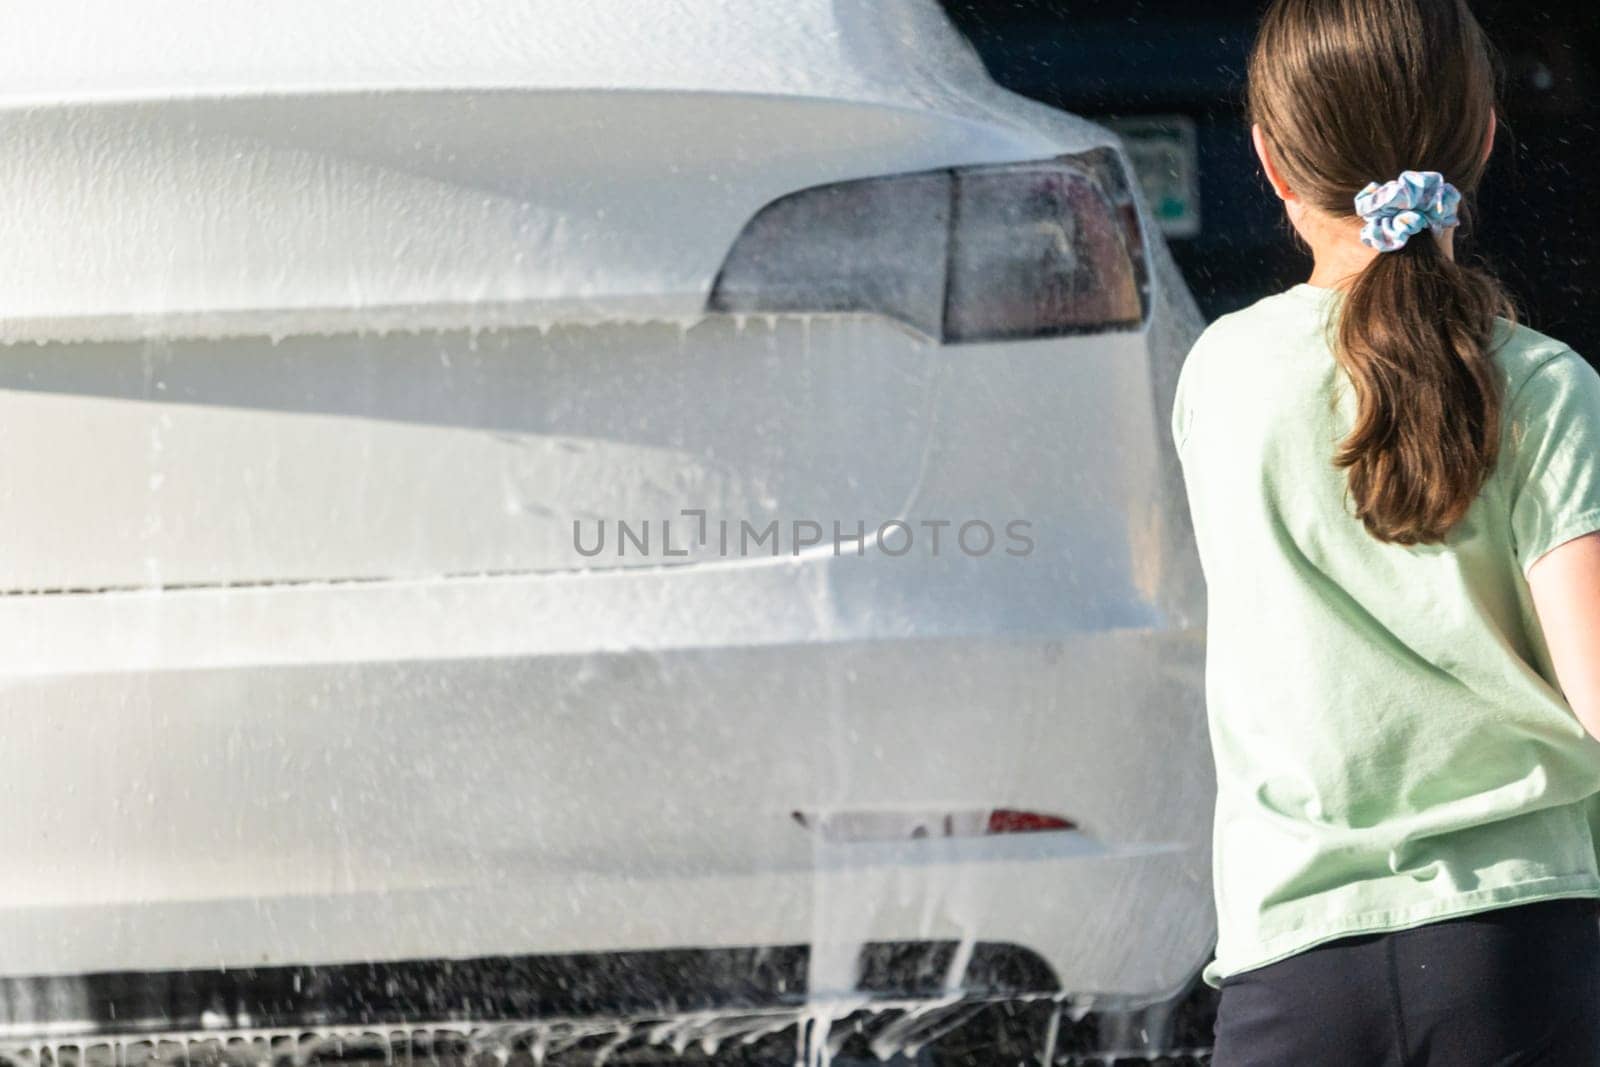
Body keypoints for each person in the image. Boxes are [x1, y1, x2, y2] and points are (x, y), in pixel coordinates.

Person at [1170, 0, 1600, 1062]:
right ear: (1488, 135)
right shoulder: (1546, 387)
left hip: (1292, 963)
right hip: (1519, 960)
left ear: (1271, 162)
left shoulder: (1219, 376)